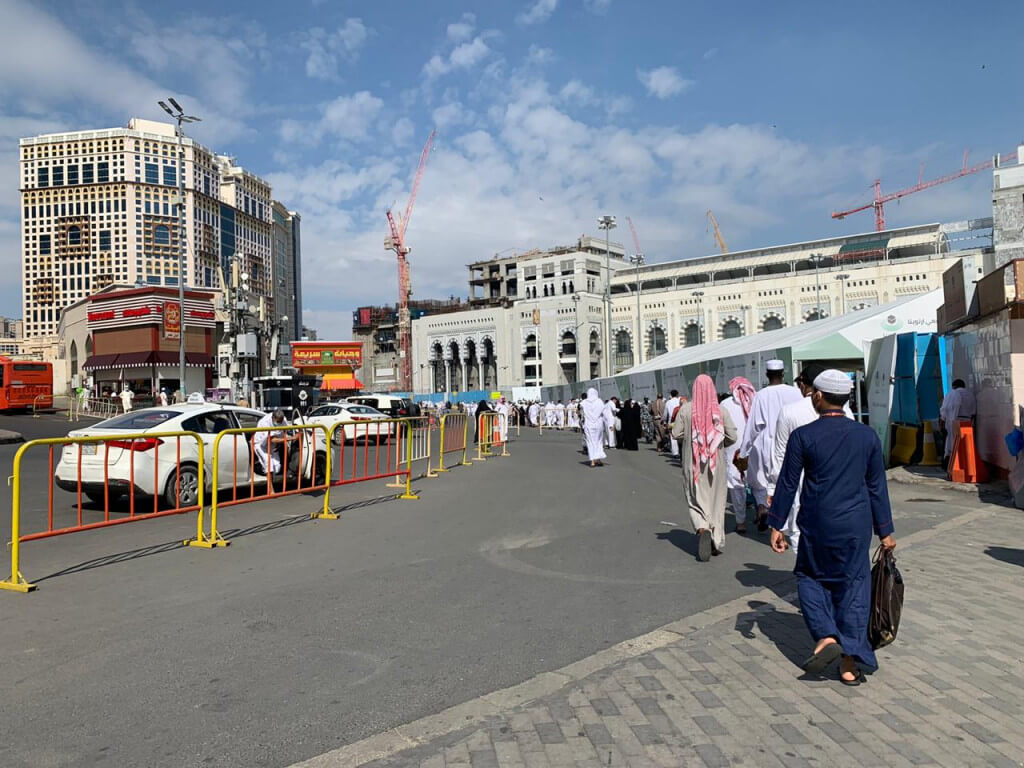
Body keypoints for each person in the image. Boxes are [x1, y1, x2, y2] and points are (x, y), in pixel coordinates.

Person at [768, 369, 896, 686]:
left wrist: (776, 524)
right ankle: (849, 663)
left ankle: (826, 635)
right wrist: (886, 531)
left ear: (819, 396)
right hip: (856, 524)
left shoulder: (804, 436)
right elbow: (877, 487)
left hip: (816, 522)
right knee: (854, 585)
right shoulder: (866, 436)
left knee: (810, 576)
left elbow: (787, 483)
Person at [767, 364, 855, 553]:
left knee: (799, 530)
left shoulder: (789, 412)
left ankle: (806, 576)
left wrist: (773, 488)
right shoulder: (847, 413)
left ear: (814, 391)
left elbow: (780, 455)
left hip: (801, 483)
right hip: (839, 483)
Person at [671, 374, 738, 561]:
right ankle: (715, 540)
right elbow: (733, 437)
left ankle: (702, 528)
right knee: (716, 501)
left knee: (695, 498)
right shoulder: (721, 411)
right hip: (716, 464)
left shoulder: (685, 410)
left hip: (692, 462)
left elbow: (676, 433)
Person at [735, 360, 802, 531]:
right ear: (783, 374)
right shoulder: (795, 392)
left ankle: (770, 515)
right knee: (793, 486)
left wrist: (744, 452)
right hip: (794, 443)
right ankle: (788, 526)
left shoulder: (762, 395)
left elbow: (753, 427)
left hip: (770, 446)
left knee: (771, 485)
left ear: (767, 375)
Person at [720, 376, 755, 533]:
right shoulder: (756, 401)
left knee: (736, 485)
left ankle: (741, 522)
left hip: (733, 448)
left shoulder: (725, 404)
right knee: (759, 483)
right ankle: (762, 509)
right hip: (754, 446)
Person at [939, 379, 977, 466]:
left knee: (952, 443)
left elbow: (945, 409)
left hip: (954, 422)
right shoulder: (970, 395)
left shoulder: (952, 394)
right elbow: (973, 412)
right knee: (966, 444)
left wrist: (942, 423)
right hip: (968, 422)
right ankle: (966, 463)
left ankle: (953, 463)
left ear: (954, 387)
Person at [254, 409, 288, 476]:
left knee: (277, 468)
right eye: (278, 422)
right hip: (261, 445)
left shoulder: (284, 421)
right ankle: (270, 485)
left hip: (273, 445)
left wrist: (279, 444)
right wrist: (291, 438)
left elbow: (282, 433)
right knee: (269, 466)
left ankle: (268, 477)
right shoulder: (264, 422)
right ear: (273, 418)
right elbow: (271, 439)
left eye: (281, 421)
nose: (280, 423)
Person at [582, 388, 608, 467]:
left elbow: (581, 411)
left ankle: (593, 461)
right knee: (598, 441)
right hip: (598, 424)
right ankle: (599, 459)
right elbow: (604, 413)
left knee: (590, 442)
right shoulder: (599, 401)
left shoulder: (584, 402)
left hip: (589, 424)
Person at [662, 390, 681, 456]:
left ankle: (675, 453)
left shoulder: (668, 402)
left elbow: (665, 414)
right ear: (677, 394)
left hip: (671, 422)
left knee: (673, 437)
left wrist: (664, 421)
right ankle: (681, 451)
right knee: (681, 436)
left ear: (671, 395)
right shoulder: (679, 401)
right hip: (680, 421)